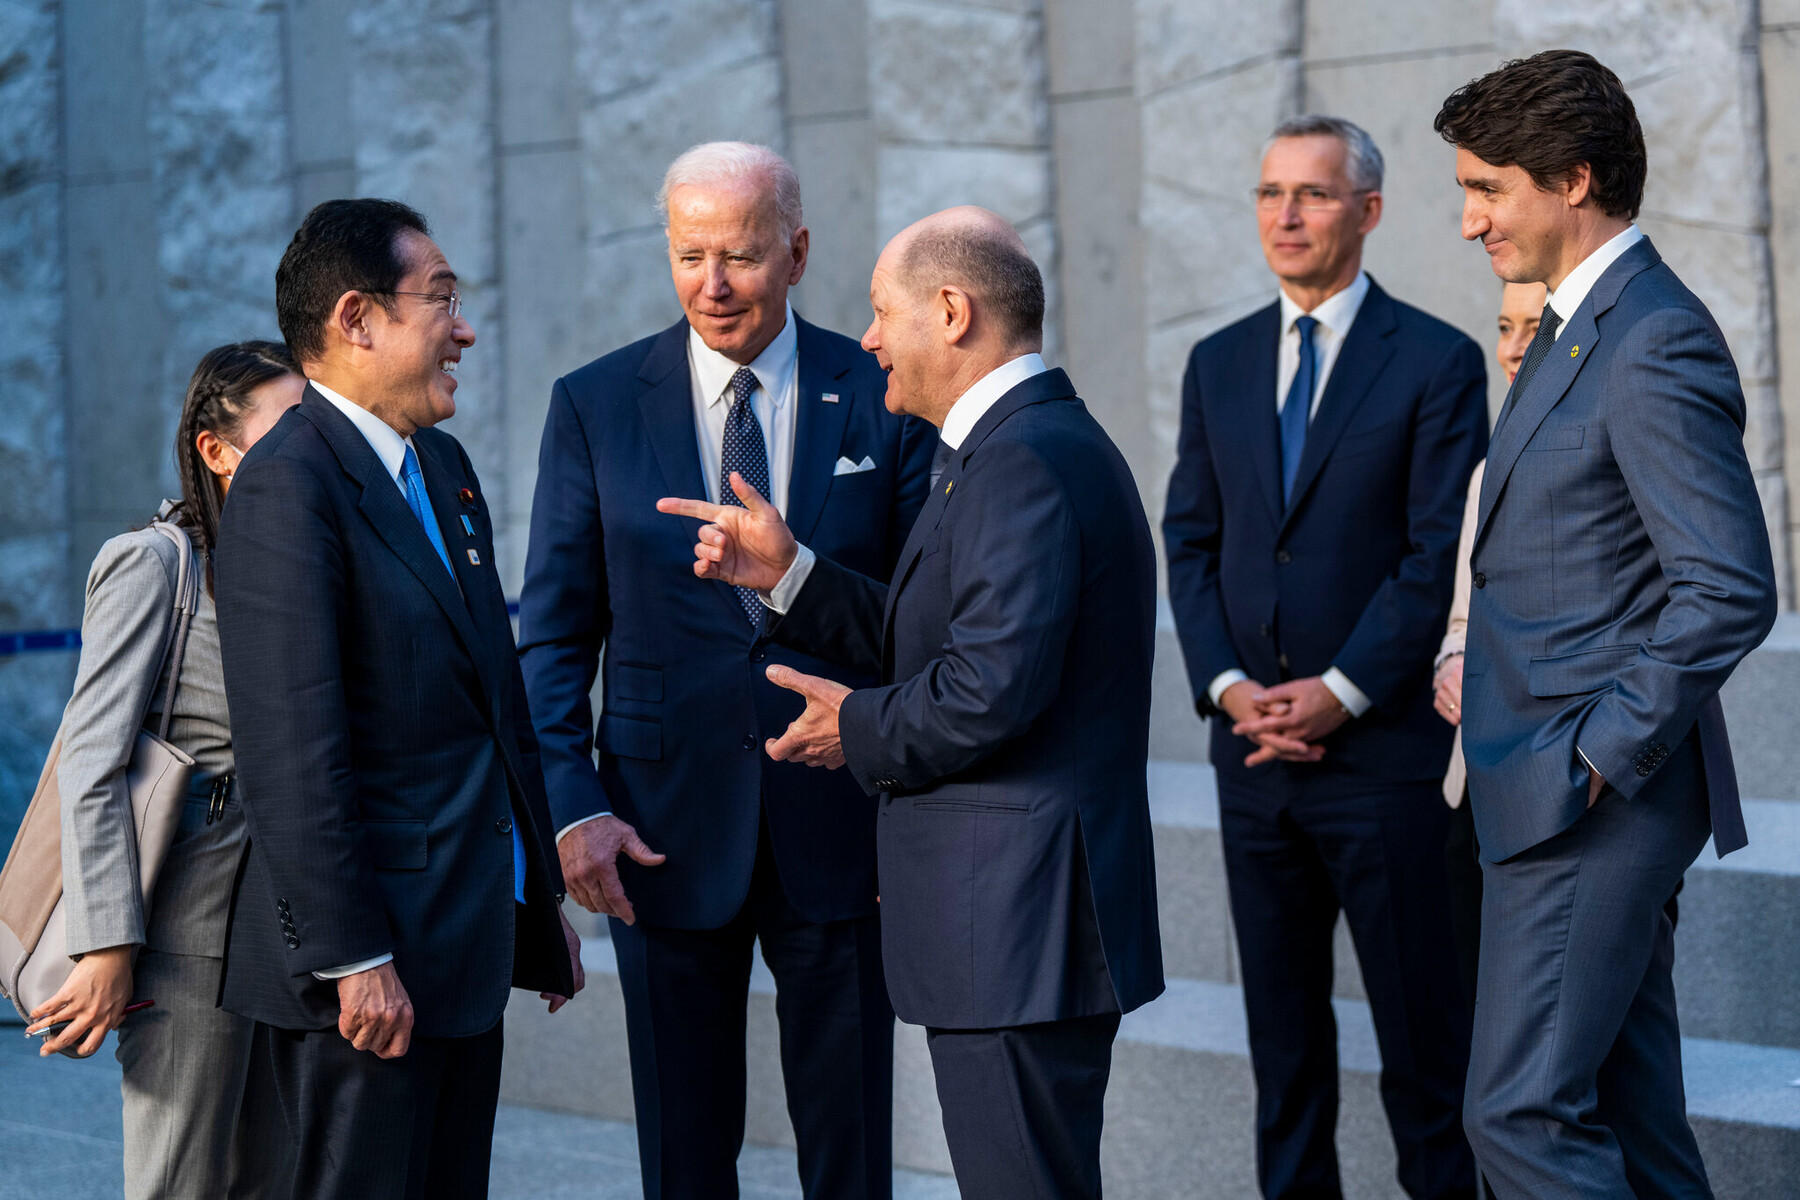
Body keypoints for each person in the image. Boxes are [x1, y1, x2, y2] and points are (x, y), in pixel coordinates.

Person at [657, 206, 1164, 1200]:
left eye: (884, 314)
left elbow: (985, 691)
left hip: (1020, 926)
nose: (872, 339)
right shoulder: (1004, 449)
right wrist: (793, 573)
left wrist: (849, 727)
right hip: (1007, 924)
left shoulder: (1024, 461)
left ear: (952, 311)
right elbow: (941, 639)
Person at [518, 142, 933, 1200]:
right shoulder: (594, 403)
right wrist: (572, 809)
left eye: (741, 256)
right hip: (657, 827)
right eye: (690, 254)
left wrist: (796, 576)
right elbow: (556, 638)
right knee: (683, 1155)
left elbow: (929, 621)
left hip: (841, 819)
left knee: (850, 1150)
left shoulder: (882, 390)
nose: (713, 283)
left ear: (796, 252)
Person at [1436, 51, 1777, 1198]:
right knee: (1632, 1123)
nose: (1470, 220)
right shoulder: (1581, 323)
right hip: (1552, 793)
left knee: (1520, 1118)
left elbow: (1729, 584)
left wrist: (1594, 753)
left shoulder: (1650, 336)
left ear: (1573, 179)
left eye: (1488, 188)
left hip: (1583, 801)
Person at [213, 198, 581, 1200]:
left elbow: (492, 701)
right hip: (367, 980)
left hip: (461, 947)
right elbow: (294, 748)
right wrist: (353, 955)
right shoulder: (291, 484)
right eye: (443, 300)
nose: (463, 328)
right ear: (357, 320)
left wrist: (538, 905)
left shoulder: (445, 470)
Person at [1162, 115, 1488, 1200]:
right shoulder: (1217, 363)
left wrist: (1340, 693)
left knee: (1427, 1060)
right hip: (1254, 768)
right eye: (1268, 194)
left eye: (1310, 194)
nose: (1286, 215)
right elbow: (1192, 538)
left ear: (1370, 212)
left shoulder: (1438, 361)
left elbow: (1438, 555)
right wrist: (1228, 688)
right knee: (1285, 1061)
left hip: (1386, 766)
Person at [27, 342, 302, 1198]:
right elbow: (92, 763)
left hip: (280, 931)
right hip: (182, 929)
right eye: (289, 431)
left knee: (270, 1176)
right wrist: (106, 945)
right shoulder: (153, 565)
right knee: (181, 1179)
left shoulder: (292, 573)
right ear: (217, 452)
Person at [1433, 280, 1543, 1010]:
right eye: (1505, 326)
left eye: (1534, 326)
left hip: (1559, 783)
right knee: (1484, 1030)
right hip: (1471, 783)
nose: (1510, 348)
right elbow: (1463, 617)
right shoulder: (1487, 466)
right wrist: (1450, 660)